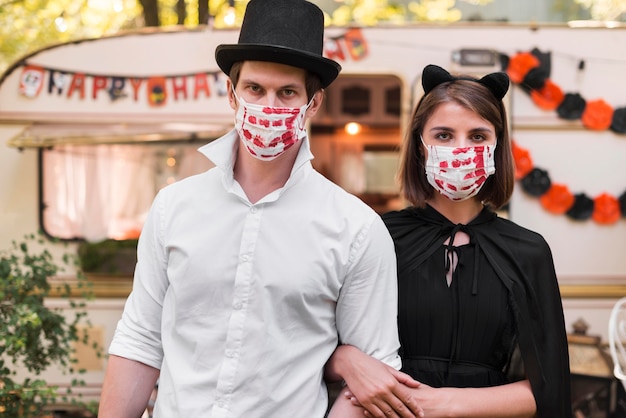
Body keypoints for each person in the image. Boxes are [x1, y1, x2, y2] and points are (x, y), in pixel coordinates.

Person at [97, 0, 422, 417]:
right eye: (255, 89)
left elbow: (372, 371)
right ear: (232, 95)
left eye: (287, 92)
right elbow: (140, 340)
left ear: (313, 103)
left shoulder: (356, 227)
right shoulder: (173, 207)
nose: (269, 105)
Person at [326, 64, 572, 417]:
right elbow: (314, 347)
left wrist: (443, 403)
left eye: (477, 136)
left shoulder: (528, 251)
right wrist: (347, 360)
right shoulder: (376, 235)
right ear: (420, 146)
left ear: (496, 147)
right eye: (443, 135)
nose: (461, 149)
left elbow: (549, 389)